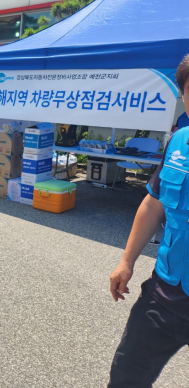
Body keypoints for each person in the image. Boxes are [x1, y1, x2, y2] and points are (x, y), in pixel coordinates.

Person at [108, 54, 189, 387]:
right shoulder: (178, 142)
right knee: (126, 376)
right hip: (166, 291)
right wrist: (126, 261)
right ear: (184, 95)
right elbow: (154, 203)